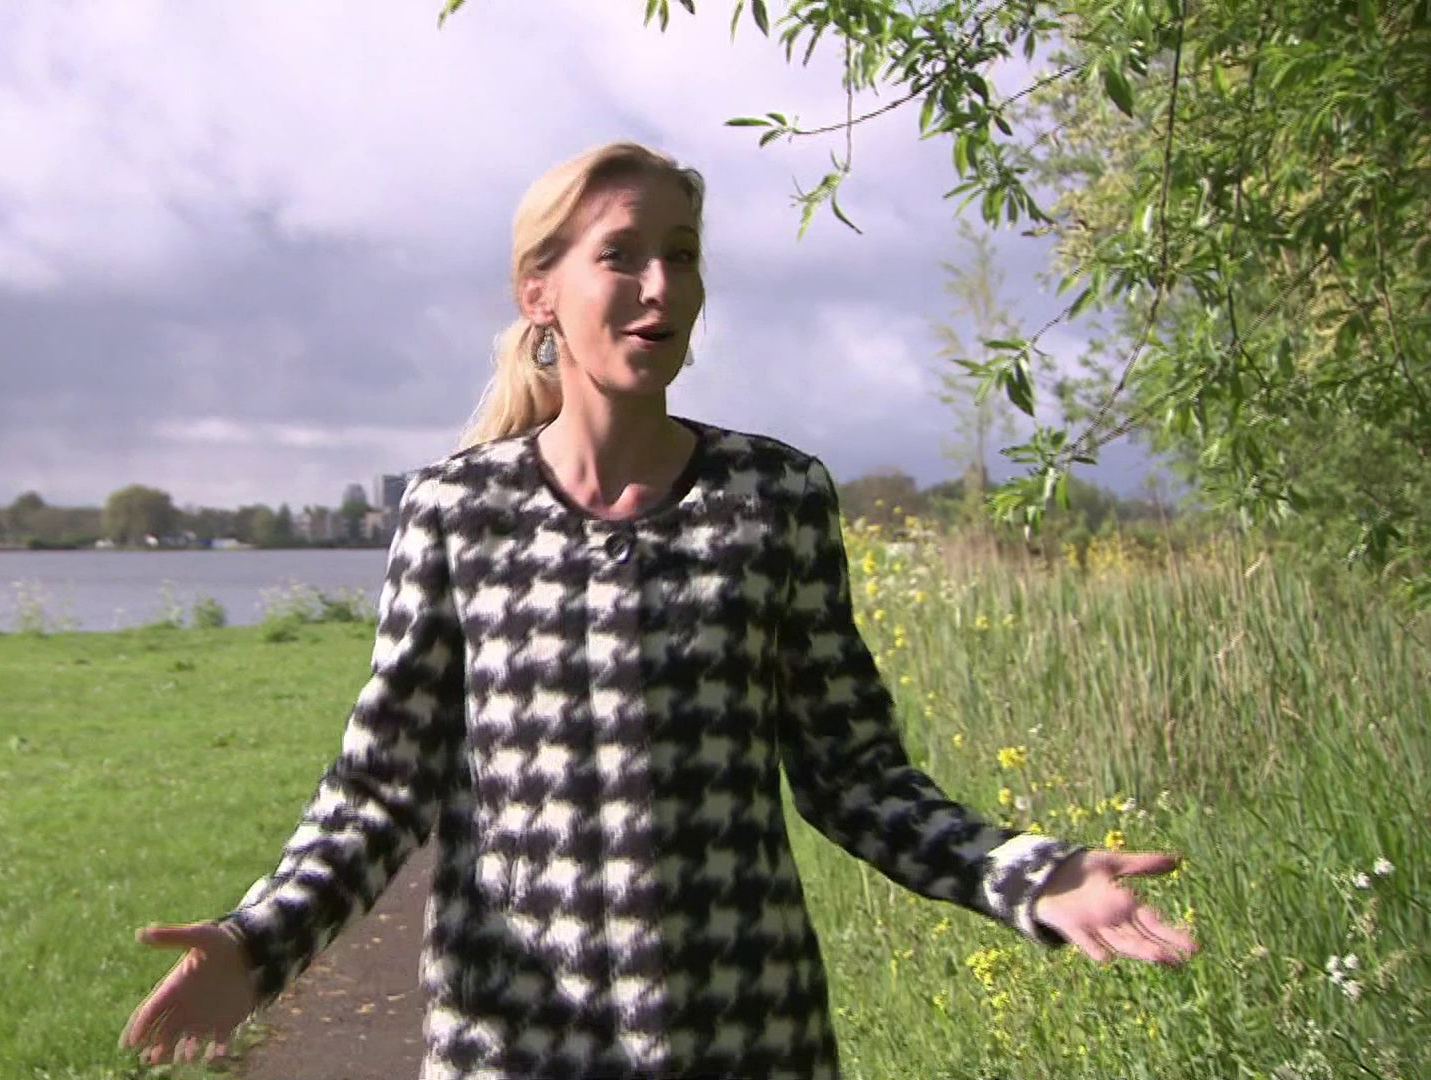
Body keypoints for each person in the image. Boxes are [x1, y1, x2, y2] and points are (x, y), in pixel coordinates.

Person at [118, 141, 1198, 1078]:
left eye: (681, 254)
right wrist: (260, 942)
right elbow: (383, 787)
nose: (660, 285)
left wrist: (1032, 876)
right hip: (515, 1045)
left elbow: (856, 779)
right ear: (539, 292)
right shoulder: (455, 510)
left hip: (748, 1036)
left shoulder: (774, 497)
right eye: (623, 254)